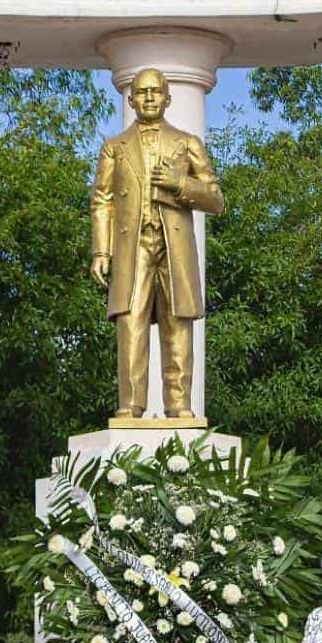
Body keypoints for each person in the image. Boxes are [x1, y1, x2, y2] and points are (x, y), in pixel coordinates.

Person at [90, 67, 225, 419]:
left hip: (173, 245)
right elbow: (102, 200)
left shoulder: (187, 142)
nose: (149, 98)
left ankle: (179, 404)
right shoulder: (114, 147)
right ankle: (130, 404)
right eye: (142, 92)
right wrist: (101, 251)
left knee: (177, 320)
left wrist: (182, 184)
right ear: (130, 99)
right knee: (130, 321)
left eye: (155, 91)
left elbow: (215, 199)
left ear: (168, 97)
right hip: (132, 246)